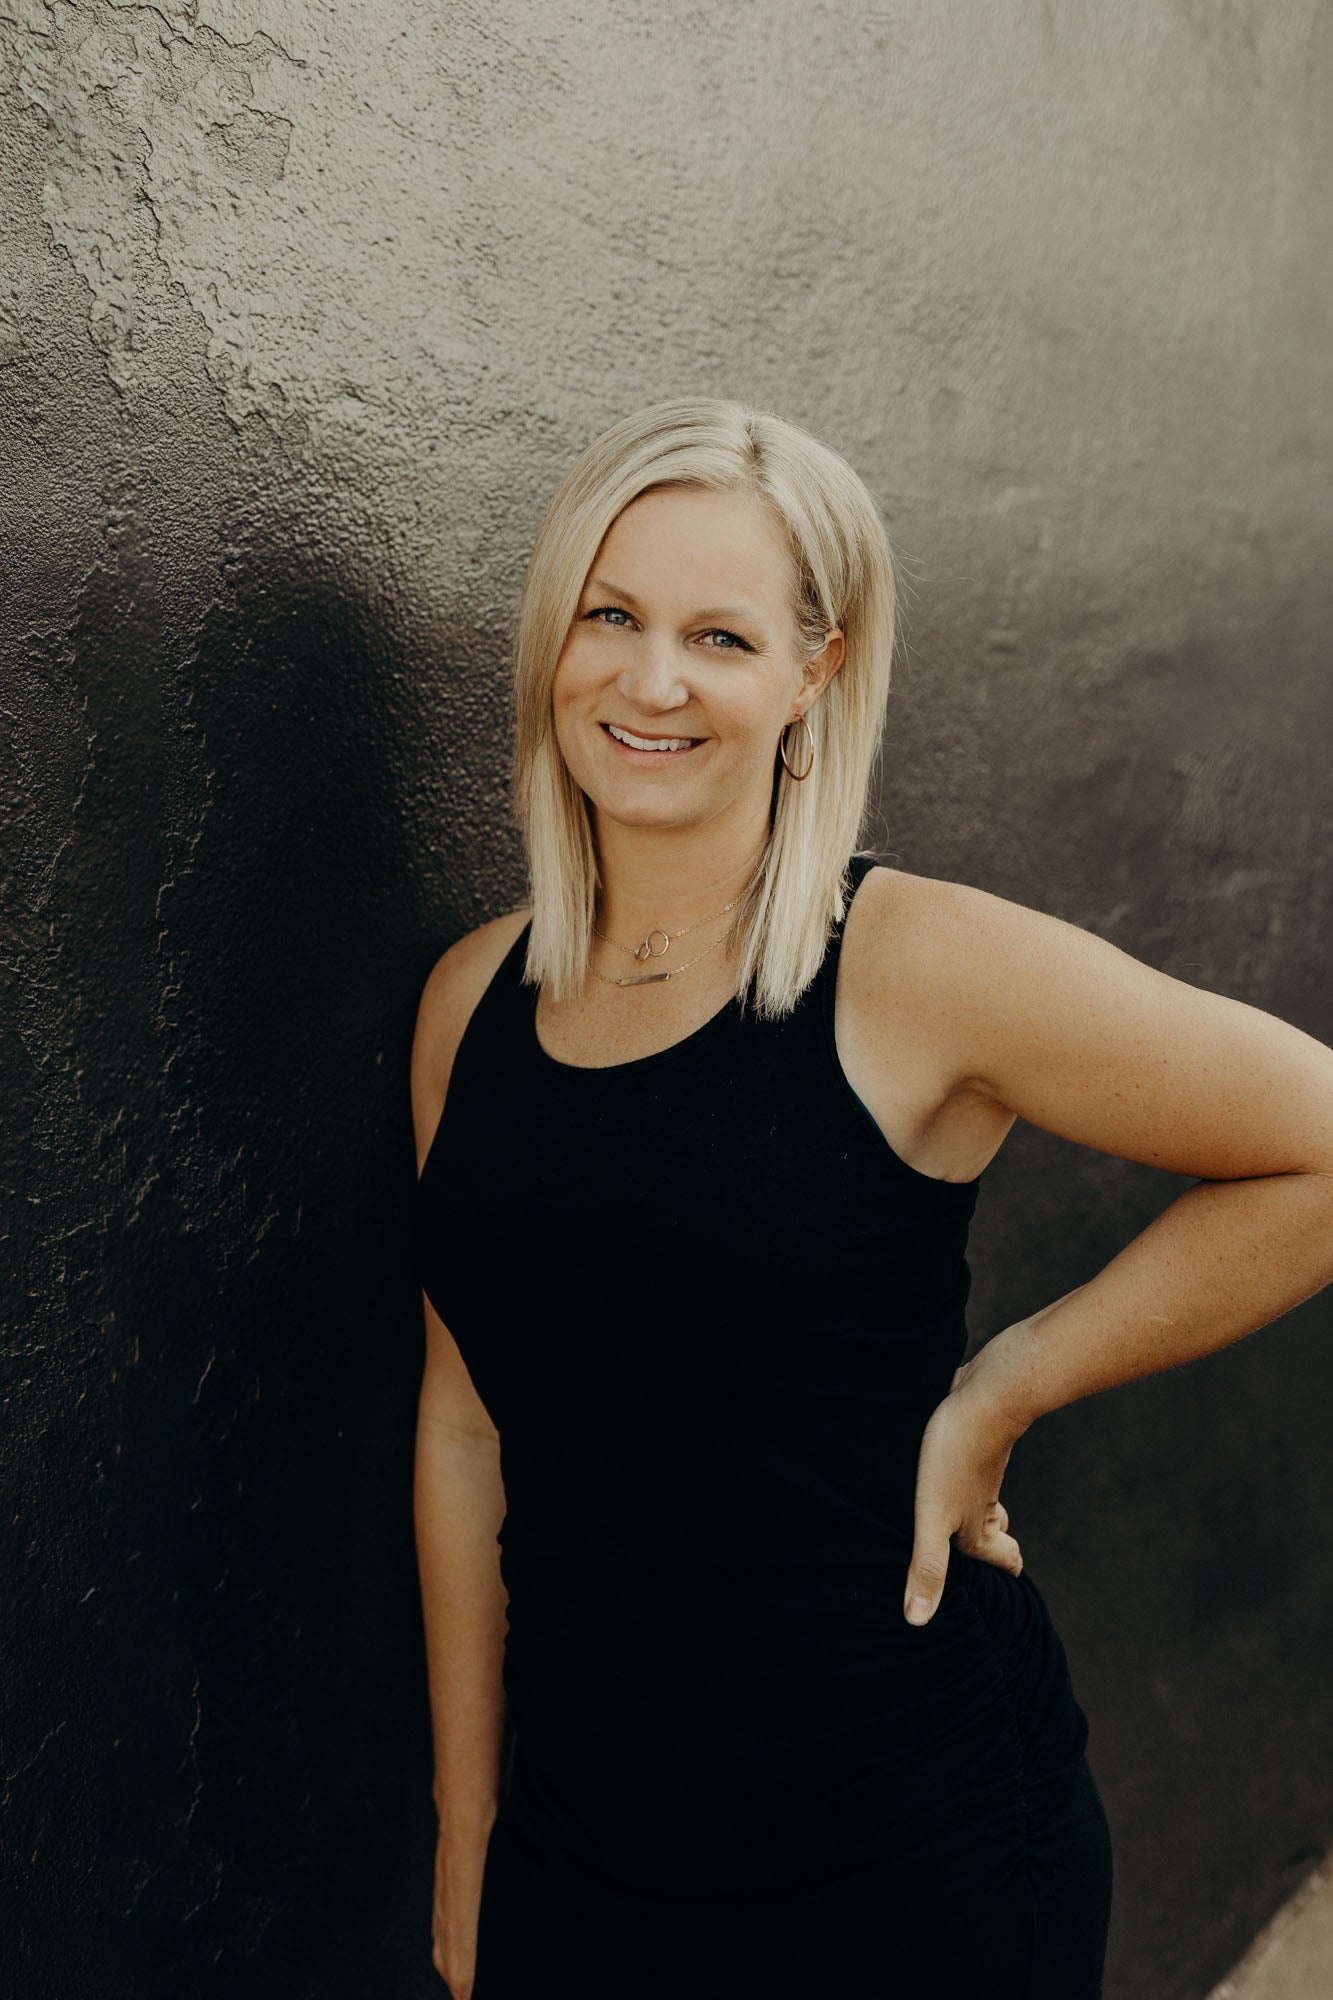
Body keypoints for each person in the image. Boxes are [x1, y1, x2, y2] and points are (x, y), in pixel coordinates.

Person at [409, 398, 1333, 2000]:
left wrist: (1011, 1386)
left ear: (810, 676)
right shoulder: (470, 1001)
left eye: (719, 634)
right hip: (589, 1844)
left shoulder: (911, 964)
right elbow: (464, 1425)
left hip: (907, 1836)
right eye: (609, 614)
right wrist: (468, 1827)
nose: (649, 680)